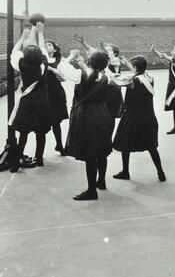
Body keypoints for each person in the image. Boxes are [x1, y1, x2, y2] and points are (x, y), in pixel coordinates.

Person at [61, 50, 114, 200]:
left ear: (89, 62)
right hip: (102, 113)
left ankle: (92, 191)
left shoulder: (80, 75)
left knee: (89, 152)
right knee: (101, 149)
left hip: (85, 115)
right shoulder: (106, 76)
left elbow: (62, 66)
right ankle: (101, 181)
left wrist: (71, 55)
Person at [111, 55, 166, 181]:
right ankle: (160, 172)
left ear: (135, 67)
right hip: (148, 115)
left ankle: (125, 171)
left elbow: (117, 83)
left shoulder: (133, 81)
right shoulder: (149, 77)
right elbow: (138, 73)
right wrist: (127, 63)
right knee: (151, 146)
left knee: (125, 144)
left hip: (133, 116)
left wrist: (110, 73)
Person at [8, 24, 52, 171]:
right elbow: (43, 48)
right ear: (40, 57)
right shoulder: (43, 65)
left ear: (25, 56)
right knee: (41, 132)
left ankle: (17, 161)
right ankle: (39, 159)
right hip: (42, 102)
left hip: (27, 103)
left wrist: (22, 38)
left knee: (24, 132)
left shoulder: (21, 63)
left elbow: (14, 52)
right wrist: (40, 32)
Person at [44, 40, 69, 156]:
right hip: (44, 93)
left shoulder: (60, 60)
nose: (46, 46)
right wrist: (54, 70)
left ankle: (59, 145)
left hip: (56, 93)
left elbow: (64, 77)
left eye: (49, 45)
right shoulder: (41, 59)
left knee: (56, 122)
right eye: (45, 45)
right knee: (42, 122)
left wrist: (55, 71)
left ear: (55, 49)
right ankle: (39, 153)